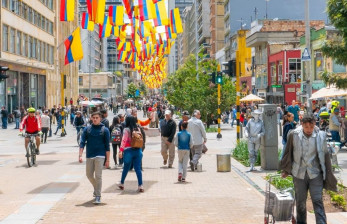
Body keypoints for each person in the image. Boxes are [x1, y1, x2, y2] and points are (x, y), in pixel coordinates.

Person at [280, 114, 337, 224]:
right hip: (298, 173)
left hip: (315, 174)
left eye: (311, 127)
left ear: (314, 125)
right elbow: (288, 152)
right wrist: (286, 170)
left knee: (317, 201)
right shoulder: (293, 134)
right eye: (306, 127)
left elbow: (325, 156)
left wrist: (328, 173)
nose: (309, 130)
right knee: (300, 203)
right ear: (302, 125)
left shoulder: (321, 136)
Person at [79, 111, 110, 204]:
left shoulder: (105, 130)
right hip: (89, 155)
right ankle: (96, 188)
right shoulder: (87, 129)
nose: (95, 119)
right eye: (94, 118)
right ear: (91, 118)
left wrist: (108, 160)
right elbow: (82, 142)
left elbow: (107, 146)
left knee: (98, 176)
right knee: (89, 175)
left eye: (97, 118)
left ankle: (98, 196)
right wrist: (80, 155)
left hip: (100, 155)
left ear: (100, 118)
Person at [117, 116, 144, 192]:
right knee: (138, 169)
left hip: (128, 151)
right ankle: (140, 185)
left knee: (126, 168)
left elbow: (124, 140)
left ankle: (122, 183)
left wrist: (121, 150)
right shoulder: (138, 129)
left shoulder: (126, 129)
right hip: (138, 150)